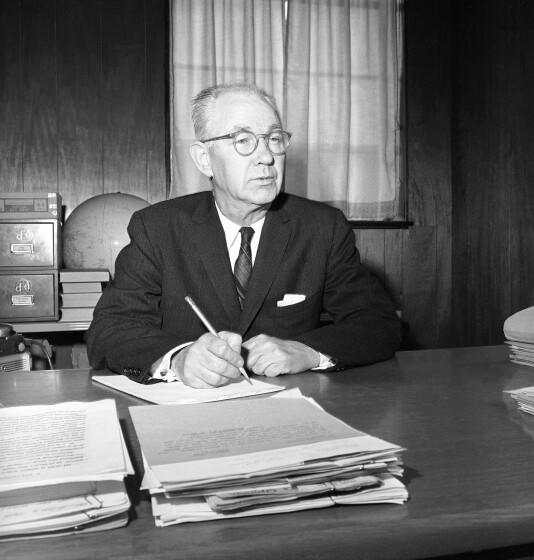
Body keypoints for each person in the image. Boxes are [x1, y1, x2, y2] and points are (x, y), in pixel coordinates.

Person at [86, 83, 401, 387]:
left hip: (290, 413)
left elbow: (379, 323)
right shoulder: (158, 228)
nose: (266, 157)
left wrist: (308, 351)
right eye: (243, 140)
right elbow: (109, 331)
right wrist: (179, 359)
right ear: (204, 159)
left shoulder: (322, 228)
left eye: (274, 139)